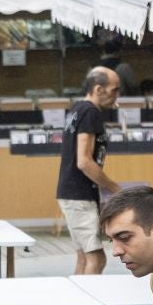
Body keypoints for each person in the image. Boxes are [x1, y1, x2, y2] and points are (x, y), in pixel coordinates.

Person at [57, 66, 123, 275]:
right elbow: (84, 161)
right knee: (97, 258)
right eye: (114, 89)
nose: (117, 96)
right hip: (79, 194)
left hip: (70, 192)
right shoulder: (90, 112)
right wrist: (115, 188)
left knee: (84, 257)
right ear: (98, 89)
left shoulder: (77, 109)